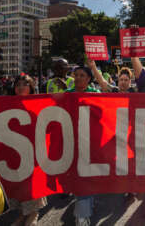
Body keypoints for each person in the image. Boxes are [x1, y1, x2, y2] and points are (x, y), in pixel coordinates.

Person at [10, 74, 47, 226]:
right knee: (17, 185)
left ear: (31, 87)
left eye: (24, 84)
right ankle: (22, 214)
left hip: (33, 153)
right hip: (13, 153)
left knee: (32, 185)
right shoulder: (7, 104)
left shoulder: (38, 104)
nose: (20, 86)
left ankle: (33, 214)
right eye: (17, 84)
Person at [66, 66, 99, 226]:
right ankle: (84, 207)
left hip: (91, 142)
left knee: (86, 176)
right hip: (71, 142)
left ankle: (82, 213)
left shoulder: (96, 94)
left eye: (82, 75)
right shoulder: (67, 95)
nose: (78, 78)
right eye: (76, 75)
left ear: (88, 79)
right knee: (78, 175)